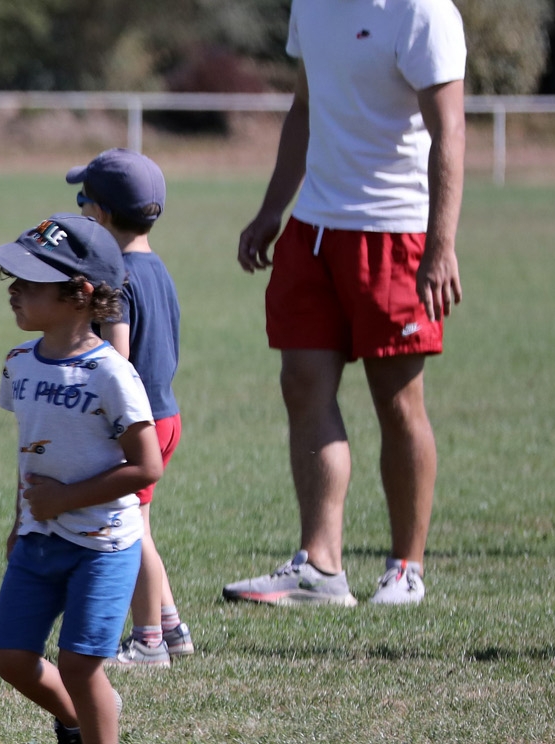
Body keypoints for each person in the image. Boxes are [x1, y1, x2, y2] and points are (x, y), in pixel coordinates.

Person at [229, 0, 467, 607]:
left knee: (396, 401)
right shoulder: (310, 4)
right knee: (303, 385)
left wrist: (440, 247)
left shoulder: (423, 12)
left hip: (395, 232)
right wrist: (271, 210)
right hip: (314, 229)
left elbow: (450, 131)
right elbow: (305, 106)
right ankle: (321, 566)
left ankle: (405, 567)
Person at [0, 214, 163, 744]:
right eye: (12, 279)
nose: (13, 291)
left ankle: (94, 713)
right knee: (11, 656)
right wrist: (22, 519)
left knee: (81, 664)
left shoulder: (111, 374)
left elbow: (146, 466)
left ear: (79, 294)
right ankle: (81, 717)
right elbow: (30, 455)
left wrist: (67, 499)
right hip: (41, 537)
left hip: (102, 544)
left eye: (30, 282)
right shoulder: (19, 364)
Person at [66, 150, 192, 667]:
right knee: (139, 522)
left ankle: (147, 643)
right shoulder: (157, 269)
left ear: (102, 214)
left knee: (132, 531)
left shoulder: (115, 276)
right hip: (165, 414)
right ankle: (171, 626)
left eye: (82, 202)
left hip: (133, 423)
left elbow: (117, 354)